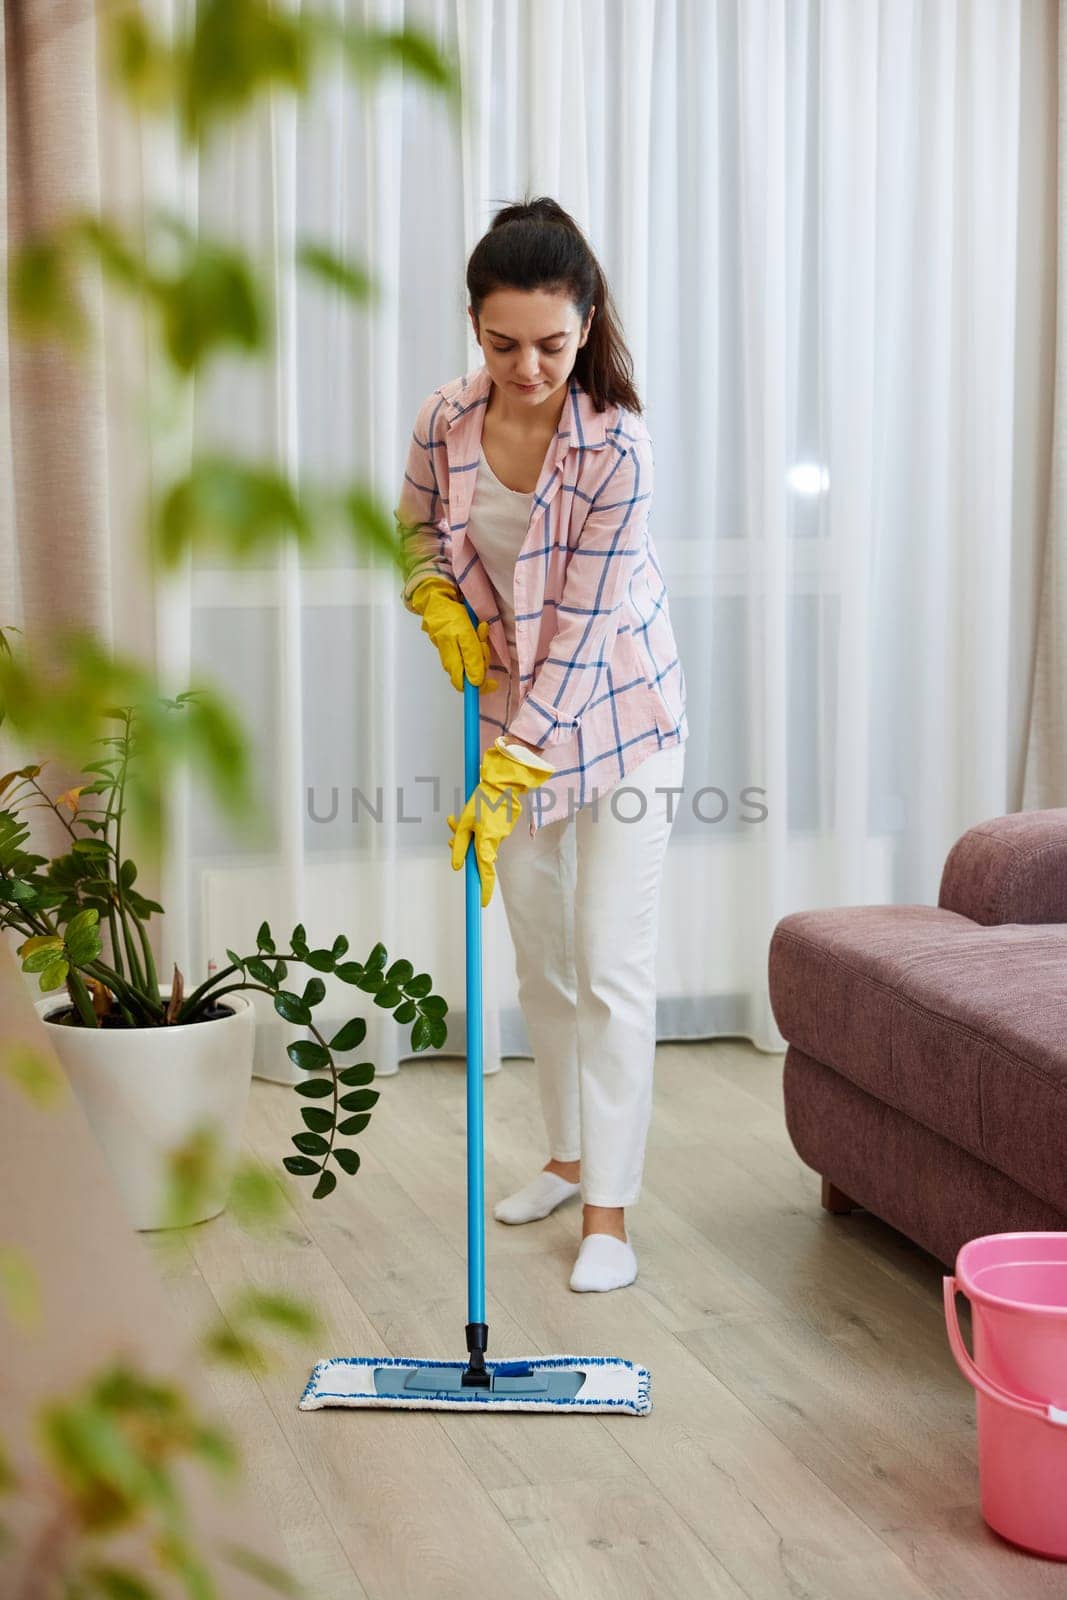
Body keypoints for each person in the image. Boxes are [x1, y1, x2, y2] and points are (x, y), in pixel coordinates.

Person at [396, 196, 688, 1293]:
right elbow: (417, 525)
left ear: (587, 320)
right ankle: (565, 1157)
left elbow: (585, 626)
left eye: (552, 345)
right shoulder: (444, 419)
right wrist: (433, 597)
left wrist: (515, 763)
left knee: (611, 961)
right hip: (507, 711)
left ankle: (607, 1214)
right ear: (474, 324)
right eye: (501, 342)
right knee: (541, 958)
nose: (527, 367)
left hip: (619, 721)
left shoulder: (616, 445)